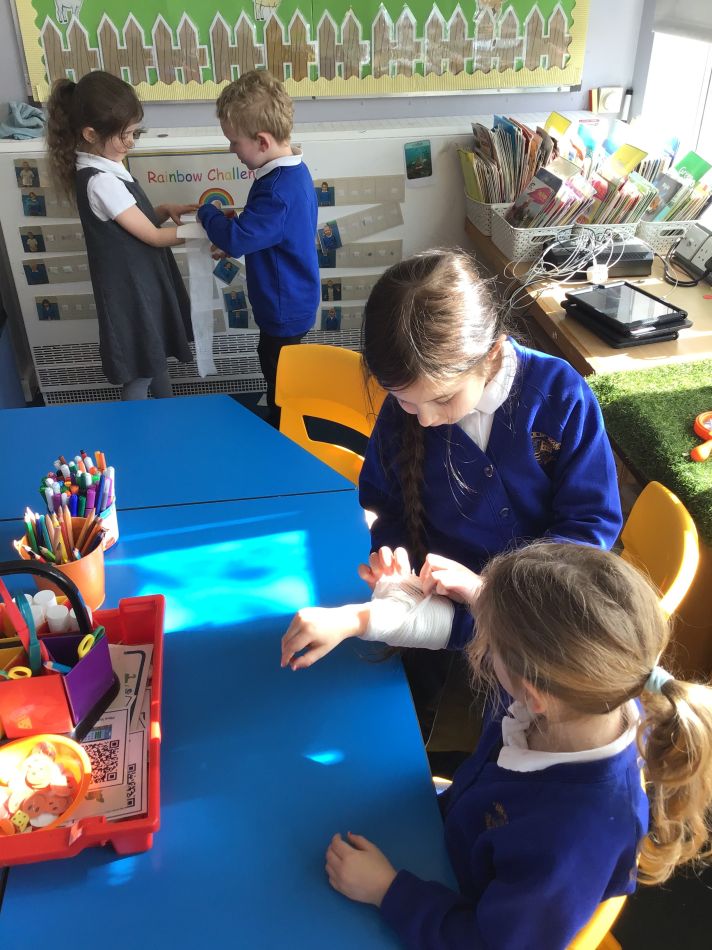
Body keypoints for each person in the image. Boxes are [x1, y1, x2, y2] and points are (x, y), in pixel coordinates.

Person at [282, 249, 623, 753]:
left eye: (441, 399)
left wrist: (494, 591)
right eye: (405, 401)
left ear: (491, 353)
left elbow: (589, 525)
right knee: (426, 731)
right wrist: (394, 556)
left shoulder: (558, 395)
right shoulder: (406, 412)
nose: (423, 418)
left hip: (537, 627)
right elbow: (386, 505)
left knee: (507, 743)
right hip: (439, 615)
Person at [321, 542, 712, 949]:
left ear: (533, 694)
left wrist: (387, 891)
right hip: (452, 831)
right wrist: (480, 597)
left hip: (445, 907)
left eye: (491, 646)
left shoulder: (571, 843)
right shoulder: (589, 696)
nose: (484, 651)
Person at [46, 71, 195, 401]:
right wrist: (203, 230)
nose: (131, 142)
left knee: (155, 357)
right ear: (90, 134)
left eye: (134, 133)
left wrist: (165, 209)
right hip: (130, 291)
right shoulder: (101, 181)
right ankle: (135, 425)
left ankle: (169, 413)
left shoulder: (108, 168)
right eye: (125, 135)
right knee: (142, 370)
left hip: (141, 282)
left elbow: (133, 222)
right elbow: (153, 237)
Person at [197, 70, 319, 428]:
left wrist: (207, 213)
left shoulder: (277, 191)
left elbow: (237, 239)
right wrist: (243, 227)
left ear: (262, 141)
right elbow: (266, 231)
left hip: (284, 305)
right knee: (275, 363)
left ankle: (286, 432)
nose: (231, 149)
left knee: (280, 376)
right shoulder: (290, 174)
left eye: (234, 142)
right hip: (291, 299)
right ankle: (284, 417)